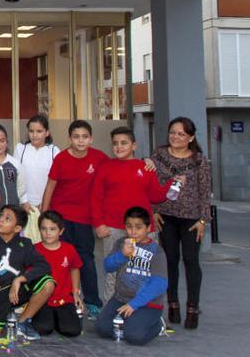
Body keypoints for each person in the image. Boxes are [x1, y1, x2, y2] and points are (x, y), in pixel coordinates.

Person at [92, 126, 176, 302]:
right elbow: (96, 198)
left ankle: (148, 313)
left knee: (145, 272)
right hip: (113, 229)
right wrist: (99, 224)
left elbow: (157, 196)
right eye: (115, 143)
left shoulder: (146, 168)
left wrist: (173, 183)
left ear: (134, 145)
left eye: (124, 143)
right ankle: (110, 312)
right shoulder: (105, 168)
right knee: (113, 272)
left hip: (144, 230)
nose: (119, 147)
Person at [146, 117, 211, 329]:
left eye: (181, 134)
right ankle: (172, 304)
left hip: (191, 219)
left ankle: (193, 307)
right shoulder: (159, 155)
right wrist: (154, 211)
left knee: (191, 261)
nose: (175, 137)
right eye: (172, 132)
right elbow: (150, 184)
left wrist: (203, 220)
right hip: (166, 216)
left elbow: (204, 192)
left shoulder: (199, 160)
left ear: (191, 137)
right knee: (170, 260)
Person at [41, 120, 108, 317]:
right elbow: (50, 187)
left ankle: (93, 302)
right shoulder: (61, 159)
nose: (81, 140)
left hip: (85, 220)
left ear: (91, 138)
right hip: (61, 219)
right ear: (69, 139)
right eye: (76, 137)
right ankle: (59, 300)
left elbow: (118, 168)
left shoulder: (99, 158)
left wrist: (146, 161)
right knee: (60, 260)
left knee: (85, 260)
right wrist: (45, 216)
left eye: (85, 137)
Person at [0, 205, 55, 341]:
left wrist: (20, 279)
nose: (0, 220)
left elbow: (44, 266)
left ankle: (22, 322)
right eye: (1, 215)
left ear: (17, 228)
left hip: (18, 291)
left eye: (7, 219)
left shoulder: (24, 244)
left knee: (47, 283)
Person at [94, 207, 168, 346]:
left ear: (148, 228)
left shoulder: (156, 251)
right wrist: (121, 255)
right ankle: (131, 322)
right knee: (101, 328)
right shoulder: (121, 243)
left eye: (138, 227)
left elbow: (160, 284)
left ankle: (157, 325)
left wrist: (134, 304)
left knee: (134, 337)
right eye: (129, 227)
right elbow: (108, 266)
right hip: (121, 298)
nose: (133, 232)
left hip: (147, 303)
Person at [33, 211, 84, 337]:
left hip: (64, 299)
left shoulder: (69, 249)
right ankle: (50, 318)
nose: (48, 233)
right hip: (42, 300)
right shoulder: (34, 250)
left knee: (72, 331)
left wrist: (75, 293)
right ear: (39, 230)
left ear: (61, 231)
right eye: (44, 229)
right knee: (43, 329)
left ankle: (58, 318)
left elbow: (74, 268)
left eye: (52, 229)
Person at [13, 115, 60, 213]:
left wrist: (45, 203)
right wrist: (24, 201)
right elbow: (16, 178)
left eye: (39, 131)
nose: (34, 135)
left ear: (47, 133)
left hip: (47, 205)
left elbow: (57, 182)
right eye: (31, 131)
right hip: (24, 206)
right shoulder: (20, 149)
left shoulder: (54, 151)